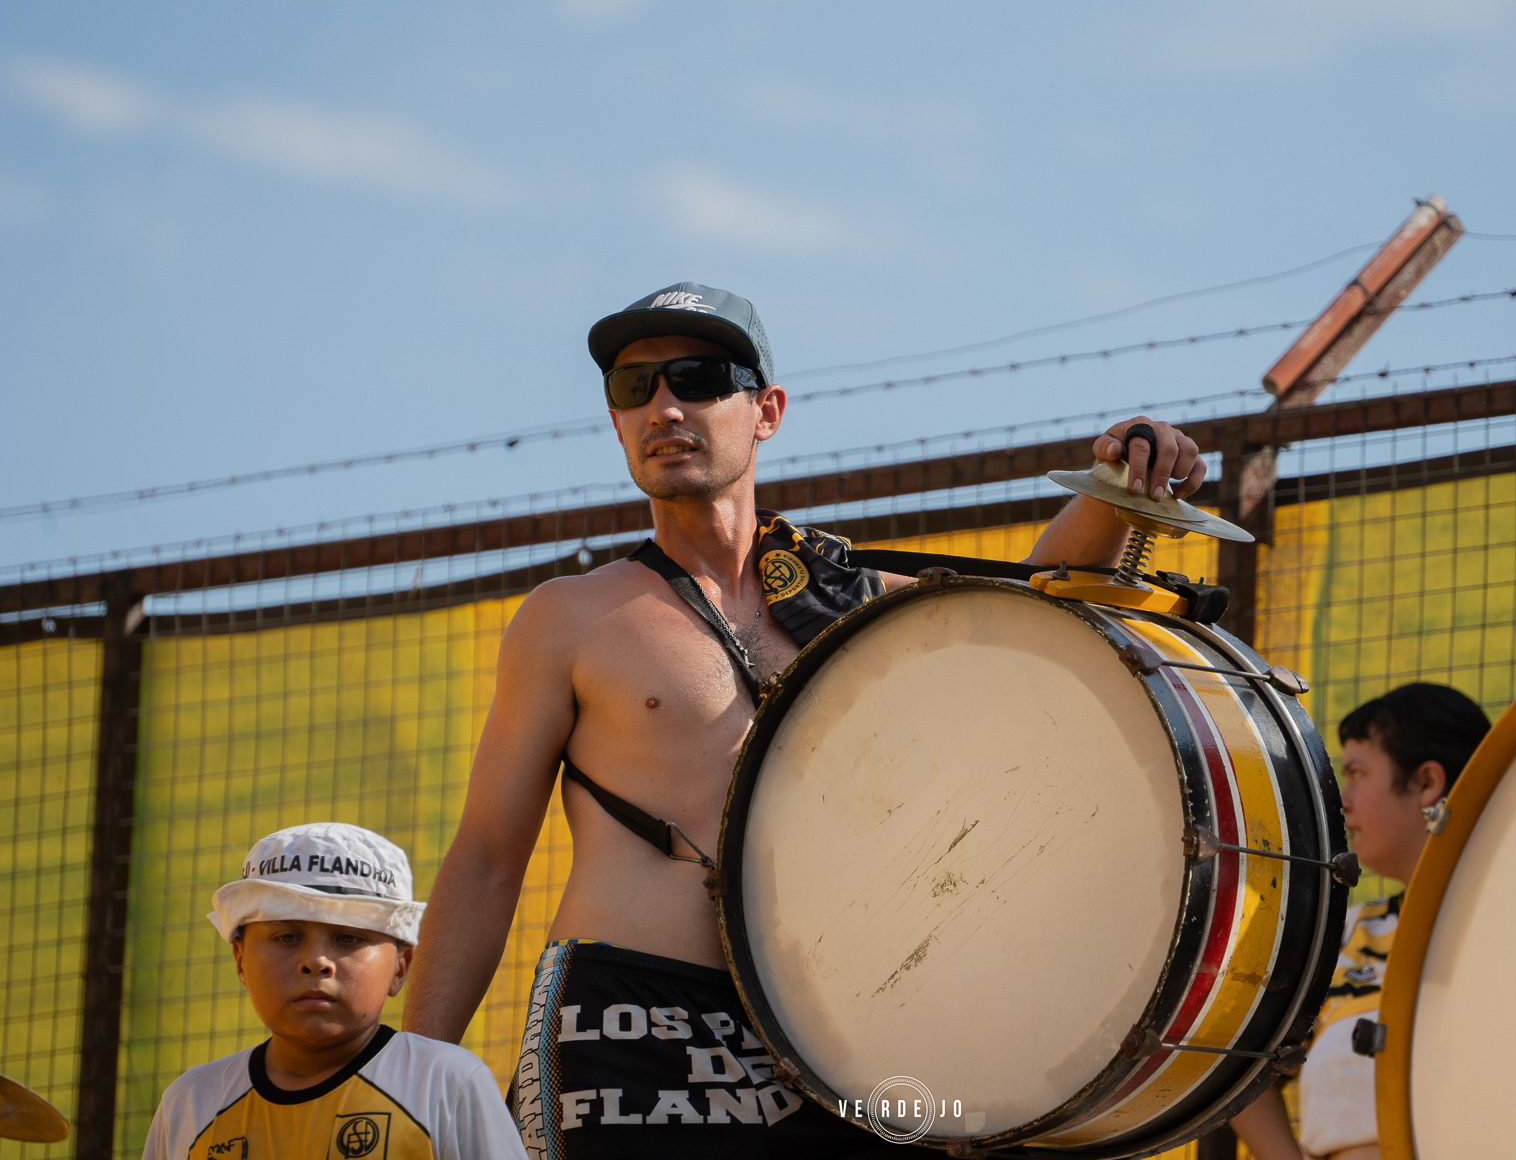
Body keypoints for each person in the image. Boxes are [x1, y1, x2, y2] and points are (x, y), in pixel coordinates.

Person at [400, 281, 1209, 1158]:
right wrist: (416, 1075)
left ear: (767, 411)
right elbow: (486, 856)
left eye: (699, 378)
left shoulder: (852, 601)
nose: (664, 407)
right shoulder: (570, 617)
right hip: (633, 1022)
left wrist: (1113, 486)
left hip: (843, 1032)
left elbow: (1018, 619)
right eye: (635, 389)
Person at [142, 822, 528, 1160]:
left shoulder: (447, 1083)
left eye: (347, 938)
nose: (316, 961)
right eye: (287, 936)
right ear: (240, 960)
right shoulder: (190, 1104)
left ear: (400, 967)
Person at [1229, 683, 1490, 1160]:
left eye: (1356, 773)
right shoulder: (1342, 936)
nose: (1341, 800)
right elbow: (1239, 1062)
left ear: (1427, 783)